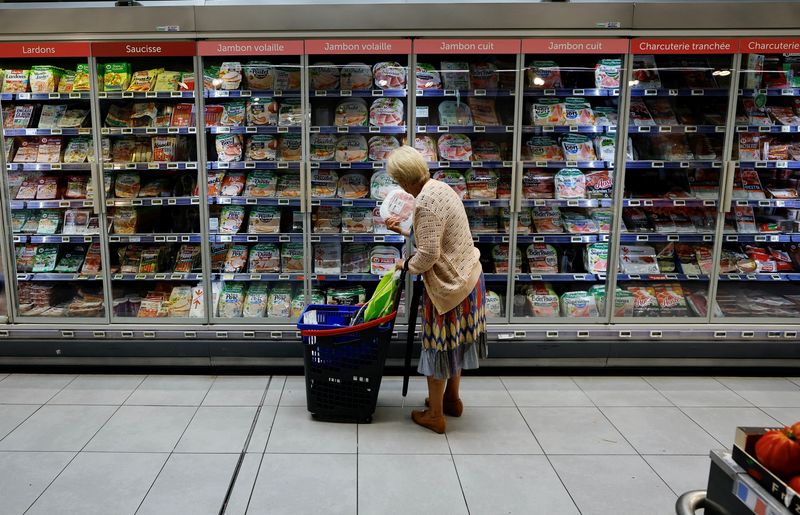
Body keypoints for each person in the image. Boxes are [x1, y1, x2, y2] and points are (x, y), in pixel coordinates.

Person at [385, 145, 487, 434]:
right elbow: (434, 234)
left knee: (438, 346)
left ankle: (436, 415)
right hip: (470, 277)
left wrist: (404, 266)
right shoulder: (440, 188)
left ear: (404, 181)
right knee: (456, 344)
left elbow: (428, 254)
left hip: (449, 287)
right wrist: (403, 231)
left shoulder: (425, 202)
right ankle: (452, 400)